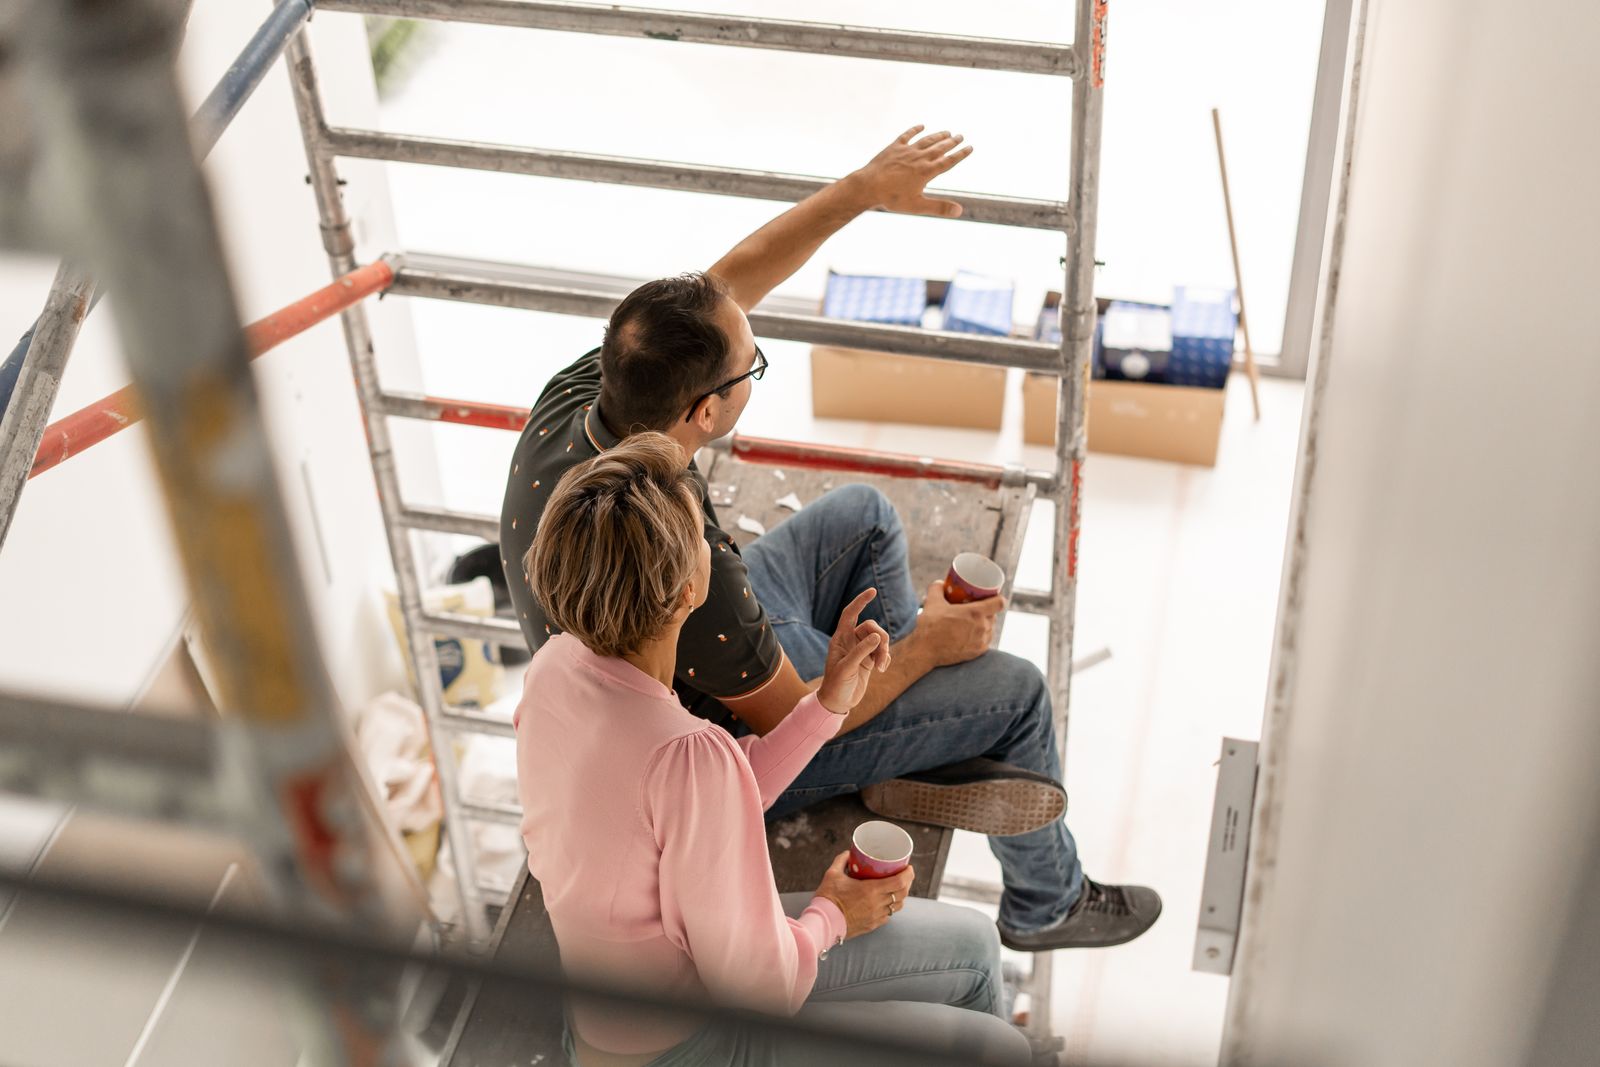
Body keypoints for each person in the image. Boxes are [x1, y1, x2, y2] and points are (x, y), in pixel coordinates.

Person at [501, 126, 1160, 951]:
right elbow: (793, 711)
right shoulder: (686, 570)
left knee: (864, 515)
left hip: (671, 651)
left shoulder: (588, 390)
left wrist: (863, 188)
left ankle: (913, 750)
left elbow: (730, 286)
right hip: (727, 720)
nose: (752, 359)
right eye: (752, 367)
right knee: (1016, 691)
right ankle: (1043, 900)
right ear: (705, 411)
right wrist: (928, 653)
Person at [514, 434, 1032, 1066]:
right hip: (689, 1047)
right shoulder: (685, 755)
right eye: (705, 537)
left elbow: (711, 802)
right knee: (998, 1047)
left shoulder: (555, 668)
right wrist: (833, 915)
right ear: (687, 594)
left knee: (977, 944)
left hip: (615, 1013)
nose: (715, 544)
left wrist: (827, 703)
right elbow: (762, 991)